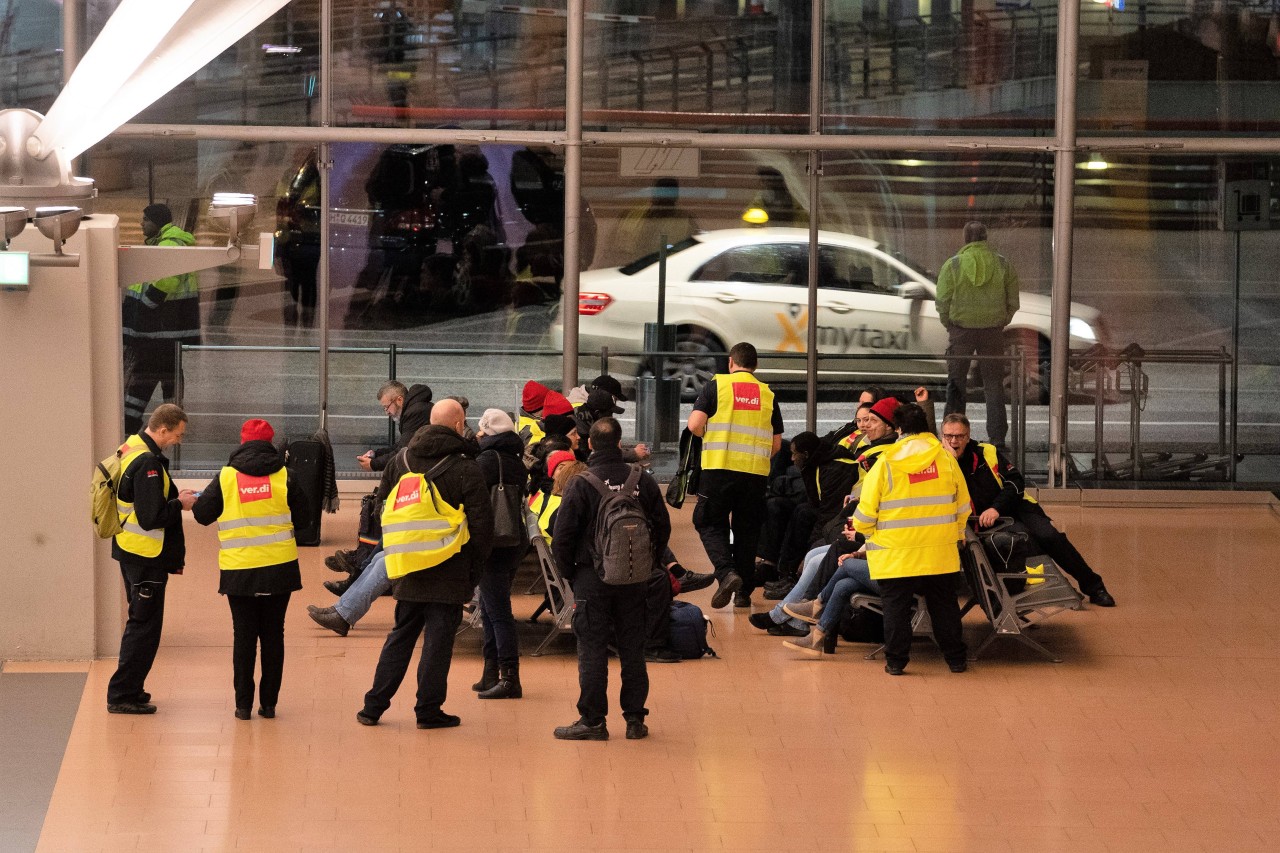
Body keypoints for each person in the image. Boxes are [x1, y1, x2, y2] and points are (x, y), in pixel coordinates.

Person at [356, 398, 493, 728]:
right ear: (460, 425)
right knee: (437, 645)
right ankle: (428, 711)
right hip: (450, 570)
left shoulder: (399, 461)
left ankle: (372, 707)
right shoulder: (466, 468)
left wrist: (403, 549)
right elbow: (482, 527)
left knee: (401, 637)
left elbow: (381, 511)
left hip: (407, 568)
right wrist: (472, 572)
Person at [551, 417, 671, 741]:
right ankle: (635, 720)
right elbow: (662, 526)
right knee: (633, 647)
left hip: (591, 577)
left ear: (590, 444)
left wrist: (570, 576)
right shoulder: (640, 480)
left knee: (591, 648)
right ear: (620, 444)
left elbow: (562, 537)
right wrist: (650, 562)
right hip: (634, 577)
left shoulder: (581, 483)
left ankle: (592, 721)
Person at [192, 419, 306, 720]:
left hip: (239, 570)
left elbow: (202, 515)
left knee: (243, 637)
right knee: (273, 635)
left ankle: (243, 706)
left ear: (242, 443)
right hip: (279, 568)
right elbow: (306, 520)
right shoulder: (286, 476)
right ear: (271, 443)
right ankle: (269, 705)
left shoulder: (226, 477)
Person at [941, 413, 1116, 606]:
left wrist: (996, 508)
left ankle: (1094, 586)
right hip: (980, 522)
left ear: (968, 436)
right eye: (949, 436)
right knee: (1028, 542)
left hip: (1015, 508)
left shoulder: (986, 452)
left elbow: (1015, 482)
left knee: (1050, 537)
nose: (954, 441)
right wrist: (950, 461)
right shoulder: (941, 461)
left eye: (959, 436)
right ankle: (1045, 587)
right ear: (942, 437)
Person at [850, 403, 971, 675]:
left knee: (896, 609)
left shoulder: (886, 462)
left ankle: (896, 662)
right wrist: (956, 533)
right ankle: (955, 659)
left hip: (895, 554)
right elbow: (963, 505)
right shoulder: (946, 459)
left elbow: (865, 514)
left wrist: (864, 530)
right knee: (944, 606)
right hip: (939, 551)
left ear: (899, 428)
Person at [107, 404, 198, 714]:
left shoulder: (130, 447)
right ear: (162, 430)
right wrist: (181, 504)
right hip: (146, 555)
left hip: (130, 550)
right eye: (177, 434)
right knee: (143, 626)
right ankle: (121, 695)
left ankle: (131, 688)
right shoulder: (147, 463)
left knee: (141, 622)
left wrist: (172, 497)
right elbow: (151, 517)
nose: (178, 440)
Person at [688, 341, 783, 610]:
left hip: (718, 469)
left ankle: (727, 573)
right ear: (756, 366)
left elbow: (694, 424)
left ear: (731, 362)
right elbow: (776, 445)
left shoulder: (717, 386)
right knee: (747, 531)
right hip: (754, 474)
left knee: (708, 522)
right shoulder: (767, 394)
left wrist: (710, 435)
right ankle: (743, 593)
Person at [327, 380, 434, 585]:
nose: (386, 412)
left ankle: (359, 567)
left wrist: (374, 464)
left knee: (386, 512)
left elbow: (404, 453)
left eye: (387, 406)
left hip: (423, 485)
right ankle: (360, 564)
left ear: (399, 400)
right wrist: (376, 454)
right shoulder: (418, 409)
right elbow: (400, 446)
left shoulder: (415, 413)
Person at [936, 221, 1020, 449]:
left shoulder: (953, 265)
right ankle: (997, 438)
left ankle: (951, 437)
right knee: (993, 385)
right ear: (985, 238)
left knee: (956, 384)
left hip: (960, 332)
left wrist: (950, 325)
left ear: (965, 239)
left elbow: (942, 301)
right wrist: (1002, 321)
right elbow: (1013, 302)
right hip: (992, 332)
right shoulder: (1003, 264)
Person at [121, 204, 199, 434]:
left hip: (157, 332)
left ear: (157, 222)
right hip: (166, 333)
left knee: (141, 381)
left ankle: (130, 427)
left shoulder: (167, 246)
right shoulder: (169, 244)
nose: (141, 224)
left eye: (145, 219)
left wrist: (145, 307)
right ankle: (173, 424)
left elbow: (164, 282)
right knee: (169, 379)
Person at [471, 408, 528, 700]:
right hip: (514, 539)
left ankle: (510, 677)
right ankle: (490, 671)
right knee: (491, 607)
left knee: (499, 612)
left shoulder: (485, 461)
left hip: (492, 543)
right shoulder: (517, 462)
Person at [615, 177, 700, 261]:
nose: (664, 197)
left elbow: (694, 252)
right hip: (639, 267)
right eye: (661, 192)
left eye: (668, 193)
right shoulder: (634, 215)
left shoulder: (686, 220)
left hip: (669, 268)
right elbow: (618, 250)